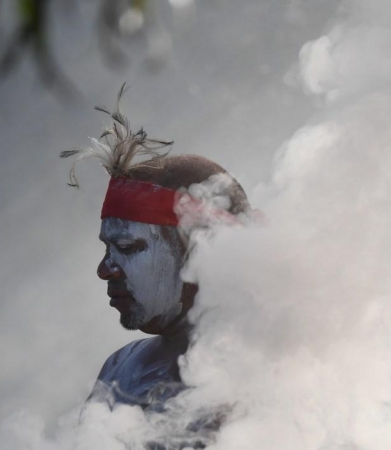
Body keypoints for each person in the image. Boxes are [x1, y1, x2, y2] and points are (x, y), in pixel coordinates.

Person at [62, 87, 251, 416]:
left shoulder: (270, 372)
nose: (105, 269)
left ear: (200, 252)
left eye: (128, 247)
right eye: (108, 248)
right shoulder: (120, 370)